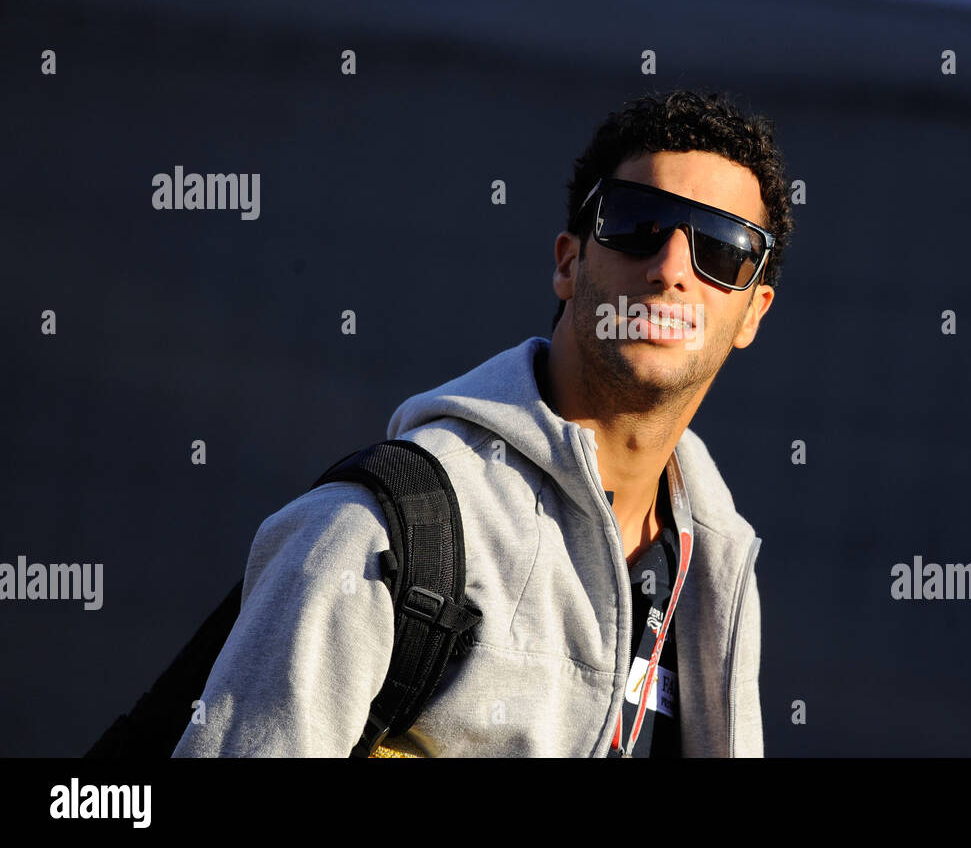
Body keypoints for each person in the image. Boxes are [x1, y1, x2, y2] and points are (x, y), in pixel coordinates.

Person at [172, 88, 794, 757]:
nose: (671, 268)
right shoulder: (381, 530)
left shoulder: (718, 572)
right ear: (568, 262)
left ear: (753, 312)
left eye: (722, 249)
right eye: (638, 222)